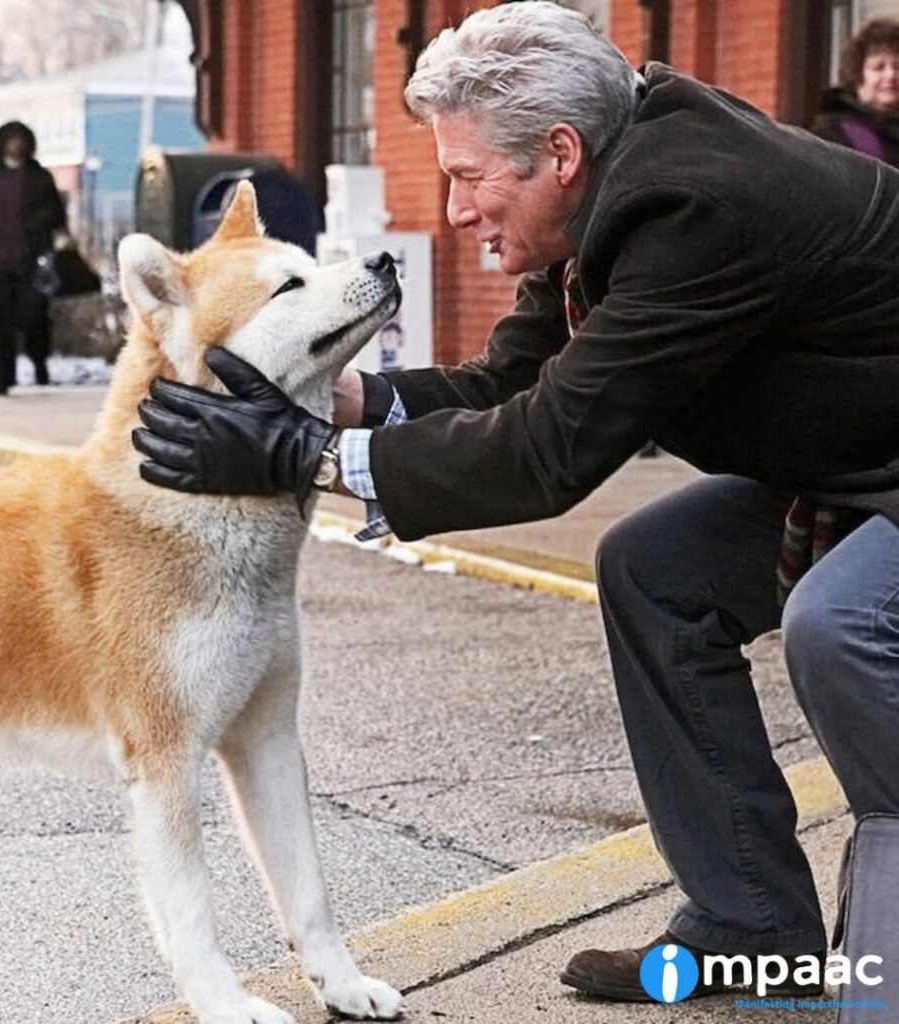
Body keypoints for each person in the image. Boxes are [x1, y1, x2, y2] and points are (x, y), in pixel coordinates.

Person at [132, 2, 899, 1003]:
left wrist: (297, 455)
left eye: (465, 176)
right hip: (855, 460)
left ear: (559, 154)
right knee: (652, 572)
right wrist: (327, 395)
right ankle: (752, 921)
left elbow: (551, 449)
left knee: (837, 624)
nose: (455, 210)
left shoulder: (693, 205)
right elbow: (510, 386)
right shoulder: (611, 191)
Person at [0, 121, 67, 395]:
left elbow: (57, 215)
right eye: (11, 140)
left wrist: (39, 223)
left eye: (21, 140)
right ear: (1, 144)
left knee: (34, 317)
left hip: (33, 262)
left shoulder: (40, 177)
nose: (16, 146)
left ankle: (39, 362)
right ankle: (0, 377)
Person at [811, 18, 899, 167]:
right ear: (856, 74)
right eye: (878, 67)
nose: (891, 75)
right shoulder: (833, 133)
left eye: (897, 67)